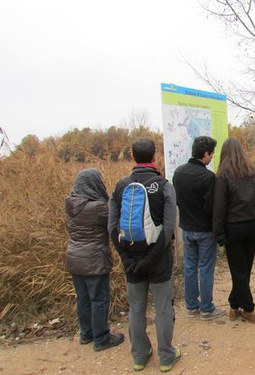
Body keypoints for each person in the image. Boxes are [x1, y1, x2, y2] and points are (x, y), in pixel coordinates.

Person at [108, 138, 180, 372]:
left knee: (136, 308)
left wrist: (126, 258)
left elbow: (111, 228)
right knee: (162, 309)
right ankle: (167, 357)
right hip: (159, 259)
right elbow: (169, 228)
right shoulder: (164, 185)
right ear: (154, 157)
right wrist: (152, 257)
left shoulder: (120, 186)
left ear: (133, 157)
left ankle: (140, 355)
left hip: (131, 259)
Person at [65, 168, 124, 352]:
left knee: (83, 298)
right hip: (94, 259)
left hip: (74, 257)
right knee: (99, 298)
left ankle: (86, 333)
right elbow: (115, 222)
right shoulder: (97, 208)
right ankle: (101, 338)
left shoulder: (71, 203)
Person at [213, 138, 255, 323]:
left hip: (234, 228)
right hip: (253, 225)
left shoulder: (223, 175)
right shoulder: (254, 172)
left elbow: (219, 208)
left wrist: (219, 234)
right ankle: (234, 305)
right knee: (244, 269)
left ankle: (249, 309)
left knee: (238, 270)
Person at [172, 136, 226, 320]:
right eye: (211, 154)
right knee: (205, 268)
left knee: (189, 267)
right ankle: (207, 308)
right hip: (204, 230)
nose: (212, 158)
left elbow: (177, 199)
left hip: (186, 228)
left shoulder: (178, 173)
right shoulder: (208, 177)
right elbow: (212, 207)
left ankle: (191, 306)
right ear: (205, 154)